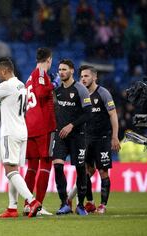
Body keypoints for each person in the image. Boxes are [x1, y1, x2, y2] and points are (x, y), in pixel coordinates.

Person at [0, 57, 41, 218]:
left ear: (4, 71)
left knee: (10, 170)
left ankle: (32, 201)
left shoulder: (7, 85)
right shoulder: (20, 85)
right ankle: (12, 208)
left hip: (10, 132)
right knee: (15, 170)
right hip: (21, 131)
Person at [66, 65, 120, 214]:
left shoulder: (103, 93)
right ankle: (89, 202)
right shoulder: (79, 94)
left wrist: (115, 136)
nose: (83, 79)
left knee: (103, 172)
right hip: (85, 139)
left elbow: (113, 115)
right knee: (85, 171)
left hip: (102, 138)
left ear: (94, 77)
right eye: (82, 76)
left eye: (86, 76)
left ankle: (102, 205)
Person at [53, 59, 92, 216]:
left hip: (77, 136)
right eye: (59, 69)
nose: (61, 72)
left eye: (64, 69)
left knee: (80, 169)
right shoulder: (57, 90)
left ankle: (81, 205)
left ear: (72, 71)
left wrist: (72, 125)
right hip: (61, 135)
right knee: (57, 166)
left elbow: (88, 113)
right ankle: (64, 203)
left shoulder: (80, 89)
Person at [23, 47, 56, 216]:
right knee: (46, 163)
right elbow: (43, 92)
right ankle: (39, 205)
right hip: (44, 125)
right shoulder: (41, 73)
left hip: (30, 125)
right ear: (49, 59)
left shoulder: (29, 78)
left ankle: (28, 204)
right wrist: (54, 84)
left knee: (32, 166)